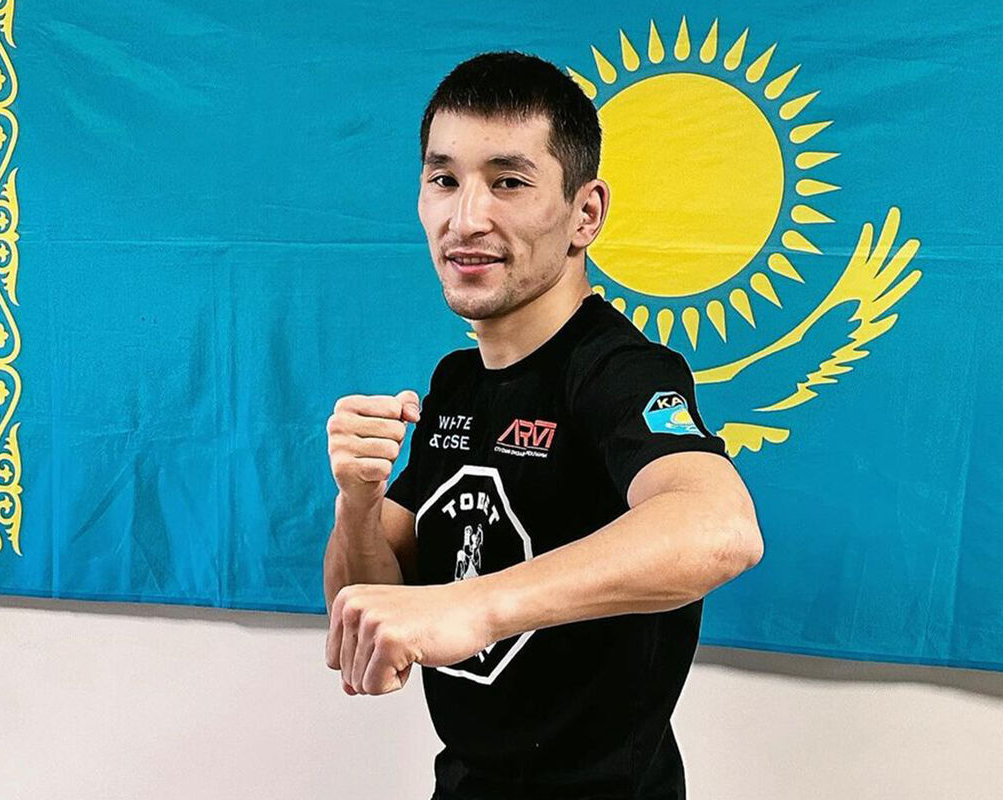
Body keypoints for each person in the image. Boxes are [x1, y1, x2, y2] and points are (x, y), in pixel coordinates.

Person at [323, 51, 763, 800]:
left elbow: (721, 529)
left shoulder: (617, 371)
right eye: (444, 180)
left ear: (584, 214)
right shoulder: (457, 382)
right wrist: (357, 503)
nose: (466, 218)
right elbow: (363, 611)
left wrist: (477, 606)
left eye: (508, 182)